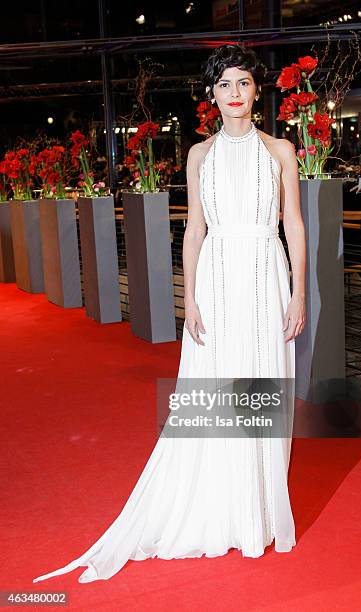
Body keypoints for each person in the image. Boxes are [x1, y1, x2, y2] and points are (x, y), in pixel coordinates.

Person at [33, 44, 306, 584]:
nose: (235, 93)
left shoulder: (280, 151)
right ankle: (222, 506)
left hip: (266, 276)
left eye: (244, 83)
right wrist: (193, 298)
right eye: (225, 84)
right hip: (221, 278)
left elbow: (293, 224)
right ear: (212, 95)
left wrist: (297, 292)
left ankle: (255, 511)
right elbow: (195, 232)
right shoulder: (198, 155)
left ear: (256, 91)